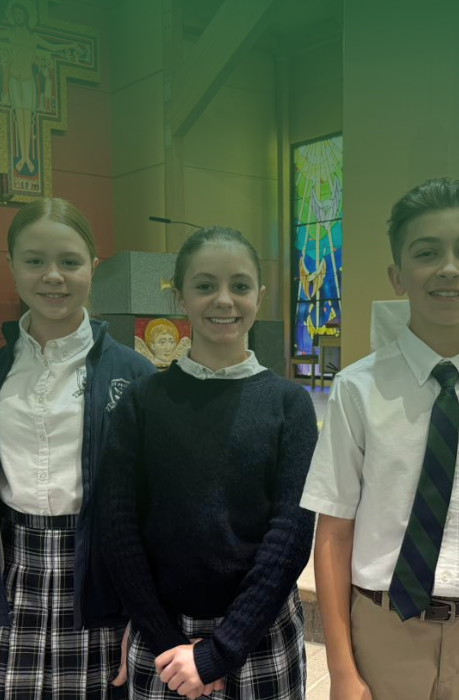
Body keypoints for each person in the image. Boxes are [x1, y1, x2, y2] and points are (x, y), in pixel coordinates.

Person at [302, 178, 459, 700]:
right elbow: (334, 533)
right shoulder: (358, 389)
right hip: (384, 629)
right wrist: (343, 671)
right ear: (398, 275)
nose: (448, 268)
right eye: (426, 252)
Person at [0, 198, 155, 700]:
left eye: (69, 261)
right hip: (9, 578)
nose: (53, 277)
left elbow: (155, 508)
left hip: (102, 583)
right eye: (35, 261)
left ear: (93, 267)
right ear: (12, 266)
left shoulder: (135, 375)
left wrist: (144, 612)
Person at [100, 226, 317, 700]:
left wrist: (221, 651)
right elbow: (118, 529)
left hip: (259, 631)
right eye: (205, 286)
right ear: (179, 297)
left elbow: (291, 535)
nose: (224, 300)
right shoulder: (142, 402)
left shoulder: (289, 405)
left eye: (239, 286)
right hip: (164, 640)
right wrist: (169, 643)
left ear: (259, 297)